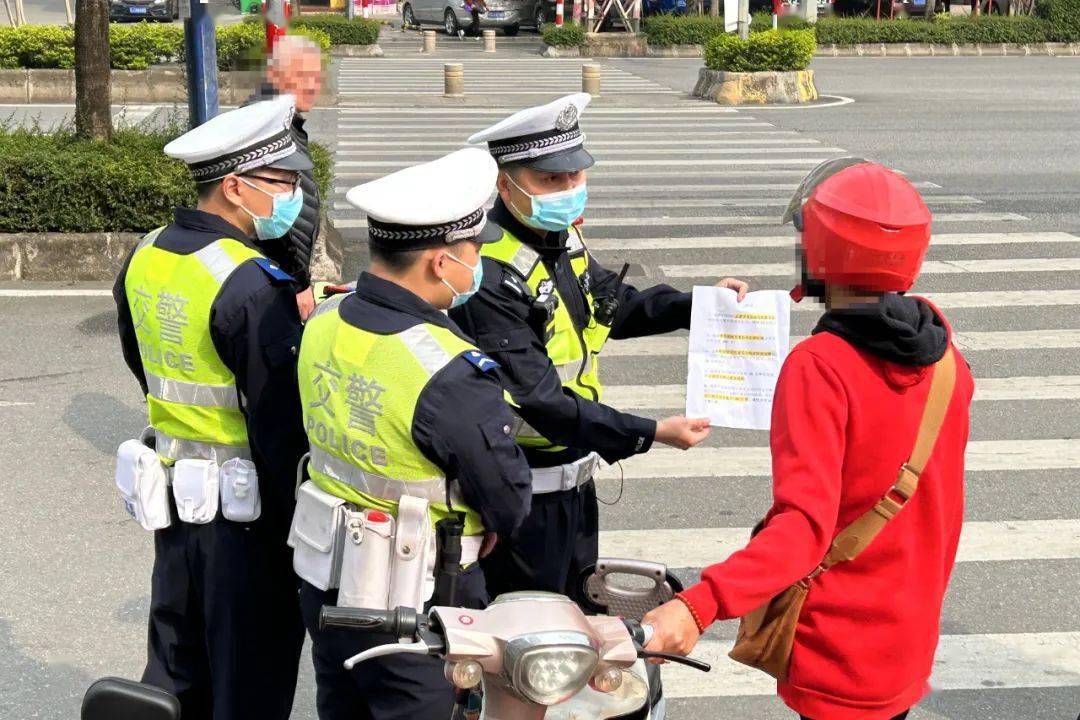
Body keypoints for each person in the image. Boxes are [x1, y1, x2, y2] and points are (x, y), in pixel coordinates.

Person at [642, 158, 975, 720]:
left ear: (823, 248)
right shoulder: (943, 352)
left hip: (839, 642)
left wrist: (698, 606)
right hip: (908, 634)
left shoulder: (820, 365)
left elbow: (803, 528)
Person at [451, 92, 749, 602]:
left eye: (575, 175)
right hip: (519, 494)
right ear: (505, 183)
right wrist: (650, 432)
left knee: (577, 621)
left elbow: (611, 304)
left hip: (573, 483)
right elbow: (539, 399)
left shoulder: (558, 236)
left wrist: (697, 305)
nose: (568, 189)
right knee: (526, 644)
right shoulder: (488, 272)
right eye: (550, 179)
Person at [294, 148, 533, 720]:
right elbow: (507, 495)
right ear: (440, 261)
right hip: (418, 599)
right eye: (473, 250)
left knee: (343, 707)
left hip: (326, 577)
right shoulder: (448, 366)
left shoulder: (324, 319)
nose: (478, 264)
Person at [112, 96, 311, 719]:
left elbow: (139, 359)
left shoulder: (146, 253)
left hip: (174, 503)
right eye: (283, 182)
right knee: (248, 680)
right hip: (247, 522)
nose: (296, 195)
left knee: (177, 669)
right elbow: (282, 425)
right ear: (234, 186)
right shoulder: (250, 281)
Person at [248, 34, 324, 321]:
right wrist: (299, 282)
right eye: (301, 75)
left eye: (316, 76)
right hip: (275, 277)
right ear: (274, 75)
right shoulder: (269, 130)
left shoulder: (286, 122)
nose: (312, 85)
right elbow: (267, 215)